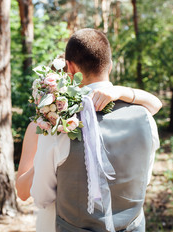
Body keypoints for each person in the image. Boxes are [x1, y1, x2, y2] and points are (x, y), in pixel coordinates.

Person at [18, 29, 160, 231]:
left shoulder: (60, 126)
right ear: (109, 66)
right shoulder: (145, 117)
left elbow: (42, 198)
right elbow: (143, 181)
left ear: (70, 67)